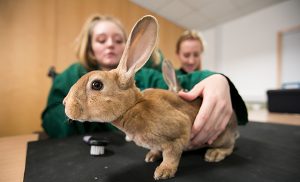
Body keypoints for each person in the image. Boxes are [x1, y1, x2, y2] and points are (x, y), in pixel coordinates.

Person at [42, 14, 248, 149]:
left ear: (128, 48)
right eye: (102, 40)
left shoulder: (144, 77)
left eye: (119, 40)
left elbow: (183, 82)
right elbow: (51, 120)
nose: (111, 45)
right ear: (90, 47)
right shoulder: (73, 75)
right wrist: (101, 115)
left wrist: (215, 80)